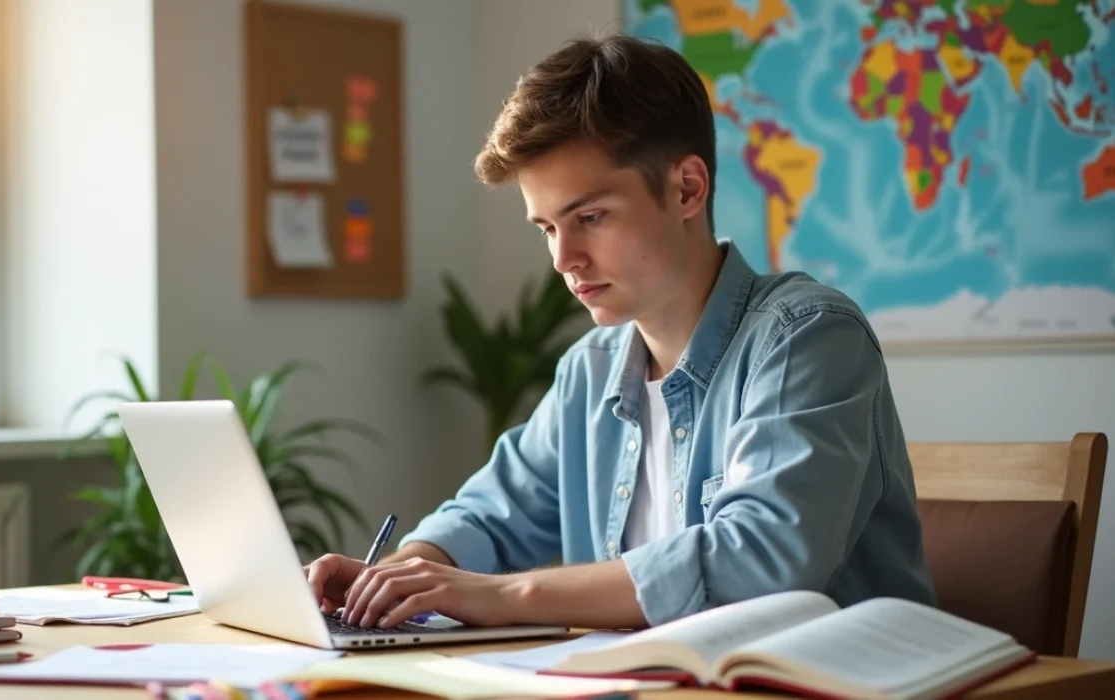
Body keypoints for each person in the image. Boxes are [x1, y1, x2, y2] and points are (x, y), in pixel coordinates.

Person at [305, 32, 937, 632]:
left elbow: (763, 560)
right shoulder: (591, 368)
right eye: (547, 227)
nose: (563, 258)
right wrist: (400, 574)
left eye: (591, 216)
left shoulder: (806, 338)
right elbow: (492, 515)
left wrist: (509, 595)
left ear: (687, 188)